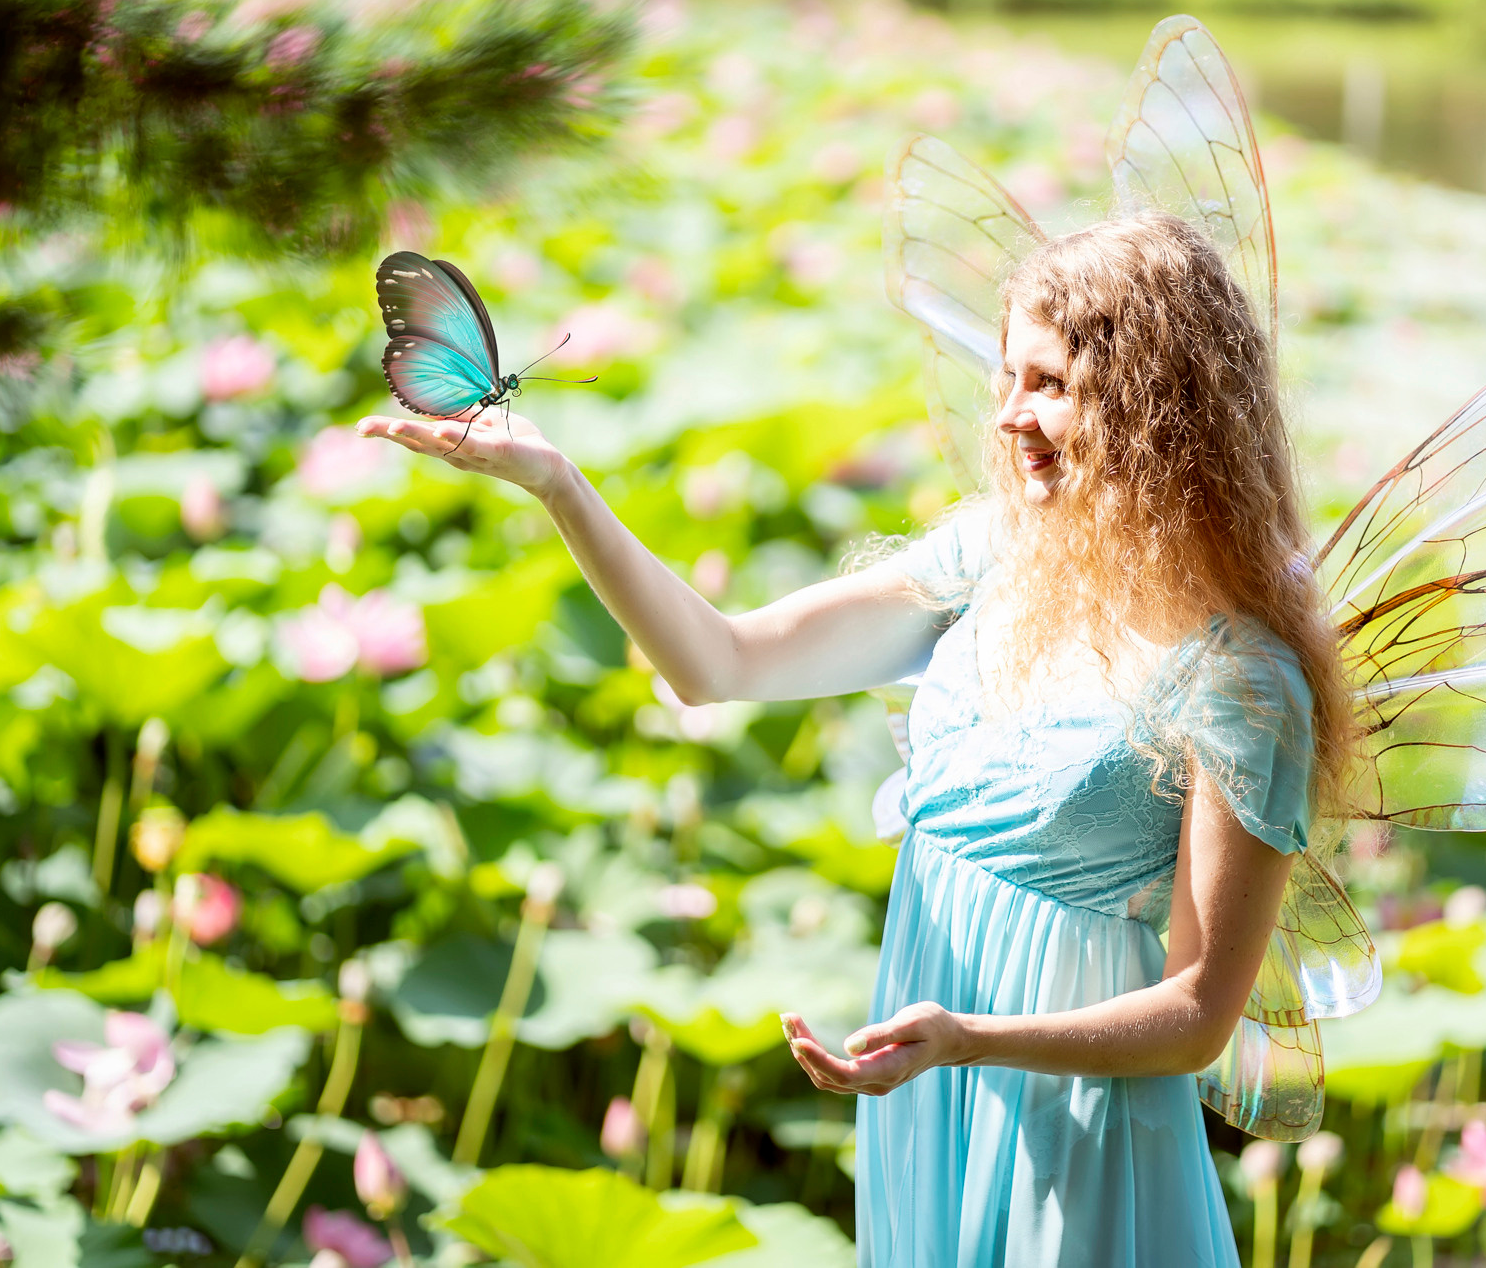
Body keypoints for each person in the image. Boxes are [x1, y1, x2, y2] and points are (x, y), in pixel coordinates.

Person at [358, 210, 1353, 1266]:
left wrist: (973, 1041)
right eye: (1003, 376)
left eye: (1049, 385)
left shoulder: (1242, 681)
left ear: (1158, 414)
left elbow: (1198, 1014)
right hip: (923, 1092)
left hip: (1071, 1119)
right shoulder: (992, 555)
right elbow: (718, 664)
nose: (1008, 415)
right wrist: (558, 485)